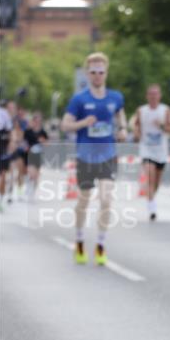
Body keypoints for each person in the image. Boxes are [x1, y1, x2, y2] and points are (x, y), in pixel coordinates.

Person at [61, 52, 127, 264]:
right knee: (84, 200)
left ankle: (100, 244)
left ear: (106, 73)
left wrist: (123, 129)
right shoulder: (79, 99)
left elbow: (120, 115)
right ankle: (79, 240)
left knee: (106, 200)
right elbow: (65, 125)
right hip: (85, 157)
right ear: (87, 74)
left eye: (101, 72)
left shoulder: (115, 97)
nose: (97, 75)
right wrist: (83, 123)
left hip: (108, 156)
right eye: (93, 72)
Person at [131, 84, 170, 220]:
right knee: (150, 175)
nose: (153, 96)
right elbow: (135, 125)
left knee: (156, 182)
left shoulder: (165, 110)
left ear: (159, 96)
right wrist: (137, 133)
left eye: (156, 94)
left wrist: (161, 125)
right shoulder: (141, 110)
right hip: (146, 149)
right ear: (147, 96)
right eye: (151, 94)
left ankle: (151, 198)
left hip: (161, 151)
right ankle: (152, 207)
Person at [23, 111, 49, 200]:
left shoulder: (43, 132)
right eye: (36, 120)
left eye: (39, 121)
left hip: (39, 154)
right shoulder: (28, 131)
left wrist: (43, 141)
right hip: (29, 154)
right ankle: (28, 187)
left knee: (36, 175)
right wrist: (26, 147)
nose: (38, 122)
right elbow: (24, 142)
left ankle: (32, 192)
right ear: (34, 121)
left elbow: (47, 144)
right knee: (31, 173)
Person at [0, 102, 14, 212]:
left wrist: (11, 143)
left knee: (2, 173)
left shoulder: (3, 113)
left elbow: (10, 130)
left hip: (1, 145)